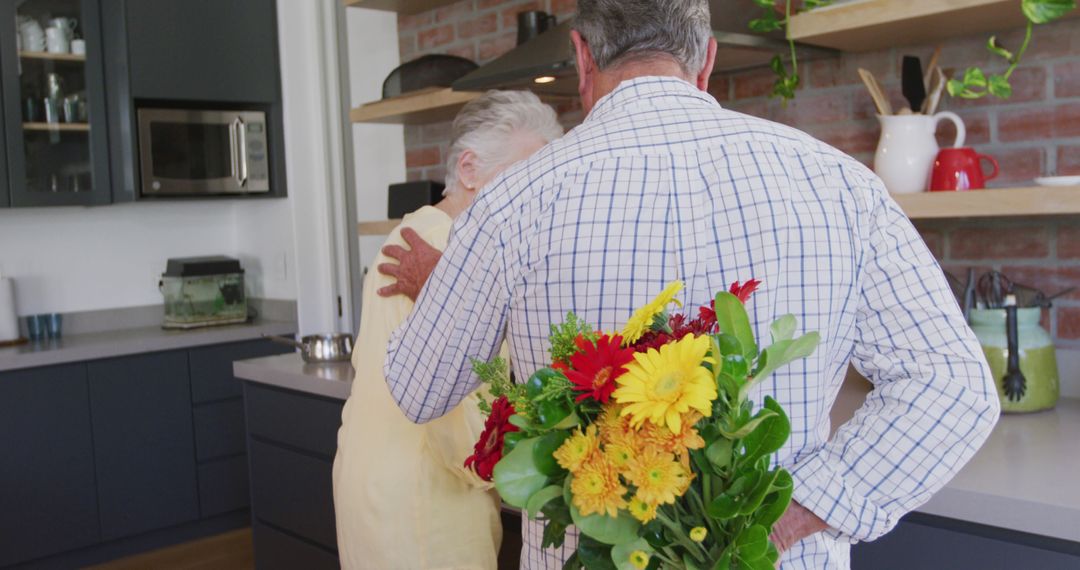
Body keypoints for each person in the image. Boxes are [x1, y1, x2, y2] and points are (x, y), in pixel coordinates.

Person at [381, 1, 1000, 568]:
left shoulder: (510, 202)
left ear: (581, 57)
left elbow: (417, 388)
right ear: (706, 58)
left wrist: (456, 287)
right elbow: (955, 387)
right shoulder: (839, 184)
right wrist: (788, 519)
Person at [332, 90, 563, 570]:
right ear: (469, 169)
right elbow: (468, 432)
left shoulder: (417, 232)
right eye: (524, 175)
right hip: (424, 500)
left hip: (374, 479)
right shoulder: (447, 247)